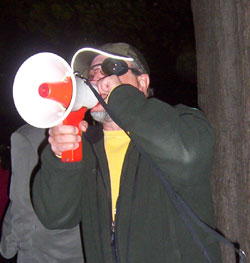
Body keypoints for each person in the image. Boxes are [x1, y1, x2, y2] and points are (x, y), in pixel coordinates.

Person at [32, 42, 221, 262]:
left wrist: (119, 97)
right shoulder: (87, 148)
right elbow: (55, 217)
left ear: (142, 82)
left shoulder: (183, 121)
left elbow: (186, 153)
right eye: (91, 74)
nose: (98, 79)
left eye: (112, 69)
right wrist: (61, 158)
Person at [0, 124, 84, 263]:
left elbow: (22, 204)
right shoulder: (88, 128)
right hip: (81, 246)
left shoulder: (27, 136)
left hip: (44, 251)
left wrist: (7, 247)